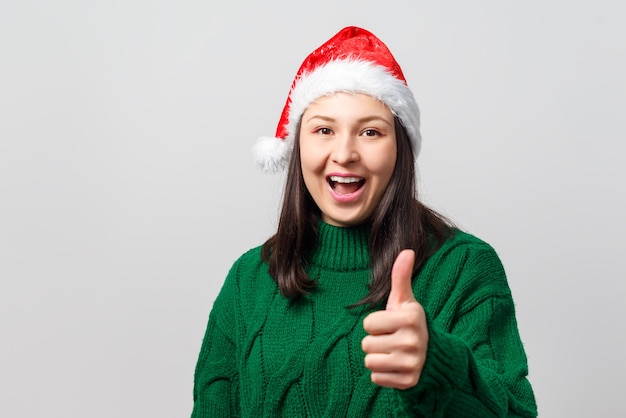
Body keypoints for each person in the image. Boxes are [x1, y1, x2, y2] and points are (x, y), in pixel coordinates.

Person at [191, 26, 537, 417]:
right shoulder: (248, 279)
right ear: (297, 145)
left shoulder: (464, 269)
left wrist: (438, 367)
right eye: (324, 130)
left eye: (370, 132)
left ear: (399, 148)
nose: (345, 153)